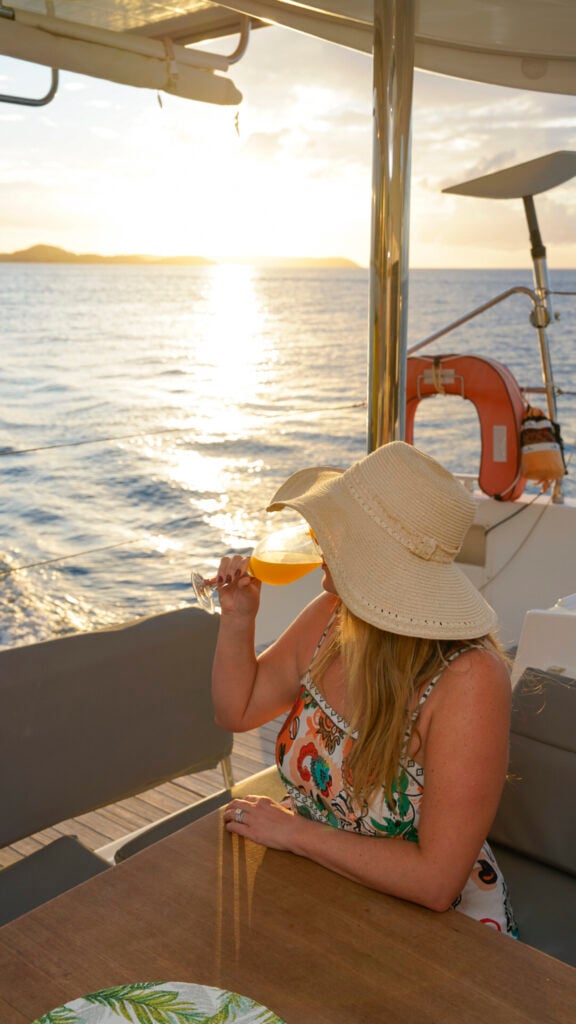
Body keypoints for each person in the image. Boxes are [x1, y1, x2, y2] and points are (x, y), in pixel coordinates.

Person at [212, 441, 517, 935]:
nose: (317, 536)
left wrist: (295, 833)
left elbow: (436, 882)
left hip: (435, 933)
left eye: (336, 527)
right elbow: (236, 709)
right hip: (320, 891)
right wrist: (238, 617)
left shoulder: (470, 679)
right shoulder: (331, 620)